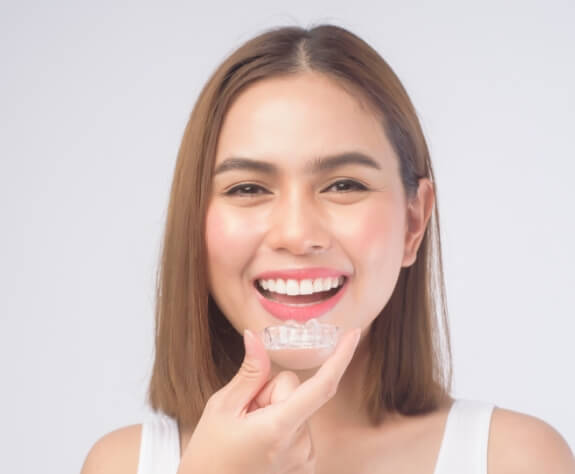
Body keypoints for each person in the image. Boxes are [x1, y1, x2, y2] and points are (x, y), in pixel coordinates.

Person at [81, 24, 574, 474]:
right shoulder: (122, 464)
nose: (297, 234)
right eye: (248, 188)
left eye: (343, 185)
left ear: (413, 221)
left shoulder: (517, 459)